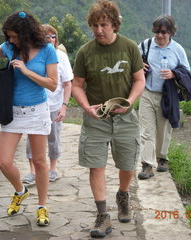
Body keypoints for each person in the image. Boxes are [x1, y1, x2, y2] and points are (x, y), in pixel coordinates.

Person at [0, 11, 58, 226]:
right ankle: (20, 191)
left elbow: (53, 84)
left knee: (39, 162)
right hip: (13, 112)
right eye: (8, 36)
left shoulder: (47, 50)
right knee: (3, 161)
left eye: (14, 36)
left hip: (37, 111)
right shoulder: (10, 48)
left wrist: (27, 71)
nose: (11, 40)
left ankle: (42, 206)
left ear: (26, 32)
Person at [71, 0, 145, 238]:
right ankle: (103, 216)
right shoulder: (85, 52)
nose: (98, 30)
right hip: (96, 118)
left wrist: (130, 102)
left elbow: (139, 80)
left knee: (128, 164)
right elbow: (77, 85)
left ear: (114, 24)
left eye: (103, 24)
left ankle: (123, 195)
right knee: (96, 165)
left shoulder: (129, 47)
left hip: (125, 117)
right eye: (94, 25)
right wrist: (86, 107)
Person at [137, 15, 191, 180]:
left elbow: (187, 72)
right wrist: (139, 64)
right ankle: (147, 165)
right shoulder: (146, 45)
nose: (159, 36)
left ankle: (162, 158)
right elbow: (132, 62)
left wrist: (174, 73)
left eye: (163, 32)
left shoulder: (177, 50)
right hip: (147, 93)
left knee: (163, 130)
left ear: (171, 33)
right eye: (157, 32)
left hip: (167, 96)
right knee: (146, 131)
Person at [22, 24, 73, 184]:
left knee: (54, 138)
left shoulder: (61, 56)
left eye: (53, 36)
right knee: (31, 139)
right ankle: (32, 172)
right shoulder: (33, 54)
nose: (51, 39)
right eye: (47, 37)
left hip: (54, 105)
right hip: (35, 105)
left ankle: (53, 169)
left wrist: (64, 106)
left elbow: (67, 83)